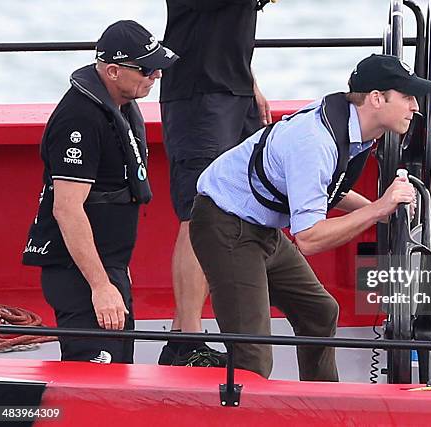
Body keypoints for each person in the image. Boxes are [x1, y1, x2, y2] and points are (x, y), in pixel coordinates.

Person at [189, 54, 431, 380]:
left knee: (320, 313)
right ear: (377, 98)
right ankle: (193, 369)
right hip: (226, 225)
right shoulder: (315, 141)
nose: (415, 107)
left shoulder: (352, 130)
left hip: (261, 226)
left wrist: (380, 210)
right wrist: (378, 209)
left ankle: (319, 406)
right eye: (407, 97)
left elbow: (326, 188)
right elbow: (309, 238)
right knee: (253, 358)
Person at [21, 20, 178, 363]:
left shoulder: (119, 104)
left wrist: (115, 275)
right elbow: (67, 209)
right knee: (97, 375)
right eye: (148, 69)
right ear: (112, 71)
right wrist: (101, 286)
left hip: (109, 268)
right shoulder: (79, 119)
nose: (156, 76)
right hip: (78, 275)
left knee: (120, 371)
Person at [158, 0, 272, 367]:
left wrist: (249, 79)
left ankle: (182, 336)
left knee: (245, 201)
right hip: (200, 93)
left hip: (233, 85)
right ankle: (187, 339)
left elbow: (225, 25)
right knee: (199, 210)